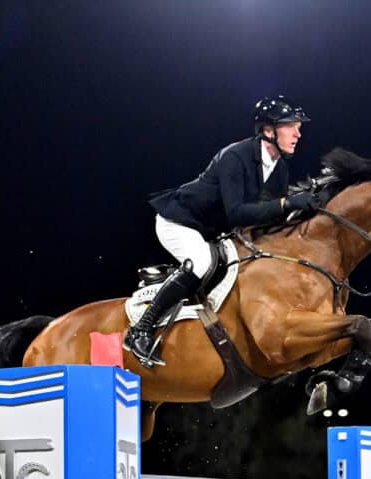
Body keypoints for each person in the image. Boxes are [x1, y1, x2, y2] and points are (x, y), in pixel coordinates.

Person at [124, 95, 318, 367]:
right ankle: (141, 329)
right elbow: (238, 213)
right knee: (202, 263)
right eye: (291, 126)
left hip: (209, 231)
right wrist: (286, 203)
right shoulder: (235, 156)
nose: (298, 133)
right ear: (268, 130)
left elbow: (266, 216)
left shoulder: (280, 169)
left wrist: (302, 209)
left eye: (299, 127)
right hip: (179, 221)